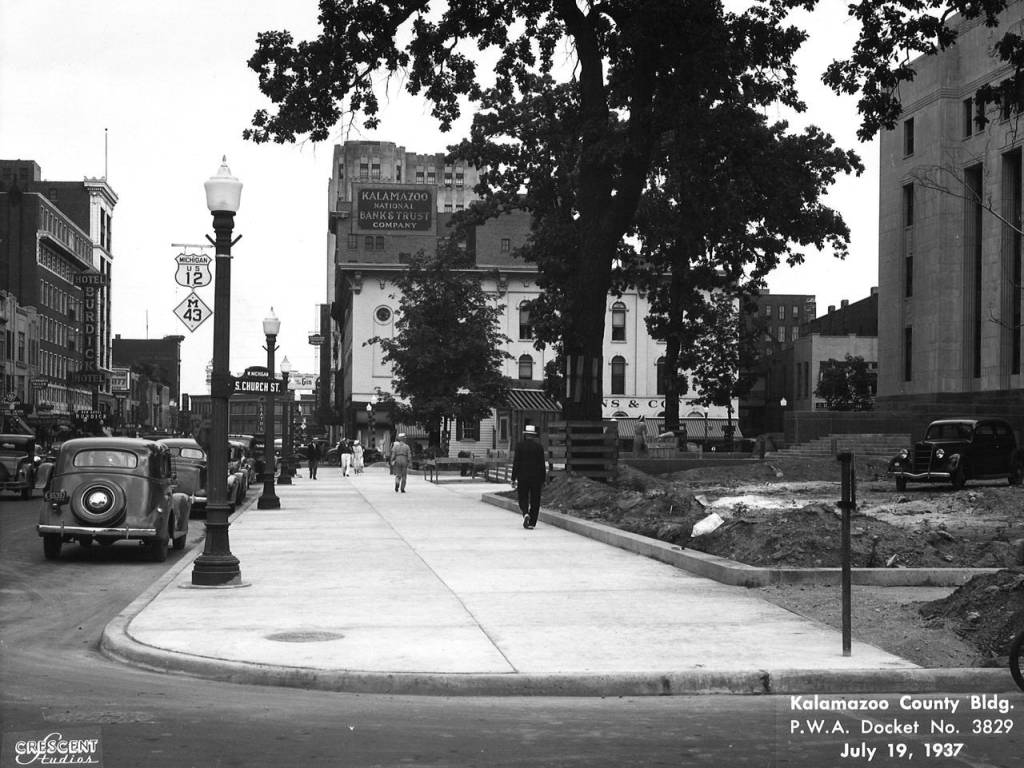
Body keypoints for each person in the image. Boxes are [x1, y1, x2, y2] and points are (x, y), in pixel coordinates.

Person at [511, 424, 547, 529]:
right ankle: (532, 523)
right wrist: (543, 479)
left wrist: (513, 477)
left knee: (523, 496)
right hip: (536, 477)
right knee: (535, 499)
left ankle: (525, 512)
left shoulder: (519, 446)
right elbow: (542, 464)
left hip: (522, 476)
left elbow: (516, 462)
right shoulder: (539, 447)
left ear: (526, 435)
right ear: (534, 436)